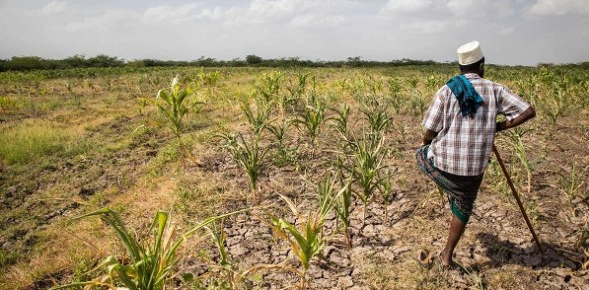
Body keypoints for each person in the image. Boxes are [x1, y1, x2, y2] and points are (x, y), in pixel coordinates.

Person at [415, 40, 536, 268]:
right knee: (464, 203)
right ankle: (446, 256)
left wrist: (427, 143)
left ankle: (452, 188)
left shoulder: (447, 89)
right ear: (481, 65)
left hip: (444, 163)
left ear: (460, 68)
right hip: (474, 169)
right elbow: (528, 111)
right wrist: (498, 126)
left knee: (420, 154)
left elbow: (429, 130)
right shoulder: (495, 89)